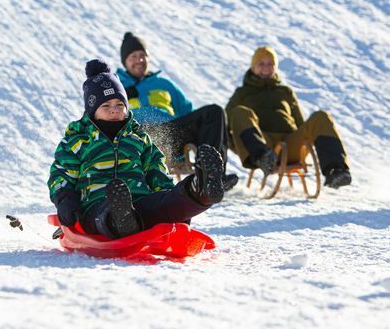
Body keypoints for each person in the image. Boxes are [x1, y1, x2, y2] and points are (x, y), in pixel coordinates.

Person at [47, 58, 225, 239]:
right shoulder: (77, 141)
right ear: (92, 110)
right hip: (95, 206)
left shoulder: (138, 137)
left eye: (119, 105)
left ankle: (199, 190)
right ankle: (120, 220)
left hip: (140, 201)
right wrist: (65, 202)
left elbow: (156, 170)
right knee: (102, 215)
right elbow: (61, 176)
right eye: (106, 106)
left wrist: (172, 202)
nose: (114, 110)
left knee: (163, 202)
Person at [116, 32, 238, 191]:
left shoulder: (164, 84)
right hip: (139, 137)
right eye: (133, 56)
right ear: (125, 61)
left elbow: (188, 112)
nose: (139, 60)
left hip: (171, 134)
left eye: (143, 55)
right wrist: (122, 93)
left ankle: (212, 177)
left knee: (213, 112)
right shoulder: (116, 85)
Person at [225, 46, 351, 189]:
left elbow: (300, 123)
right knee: (240, 112)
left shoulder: (285, 92)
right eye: (261, 63)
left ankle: (336, 170)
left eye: (270, 63)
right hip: (265, 145)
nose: (266, 68)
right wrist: (240, 148)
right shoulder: (242, 93)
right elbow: (227, 123)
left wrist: (303, 142)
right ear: (253, 66)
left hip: (290, 145)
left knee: (321, 117)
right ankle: (261, 158)